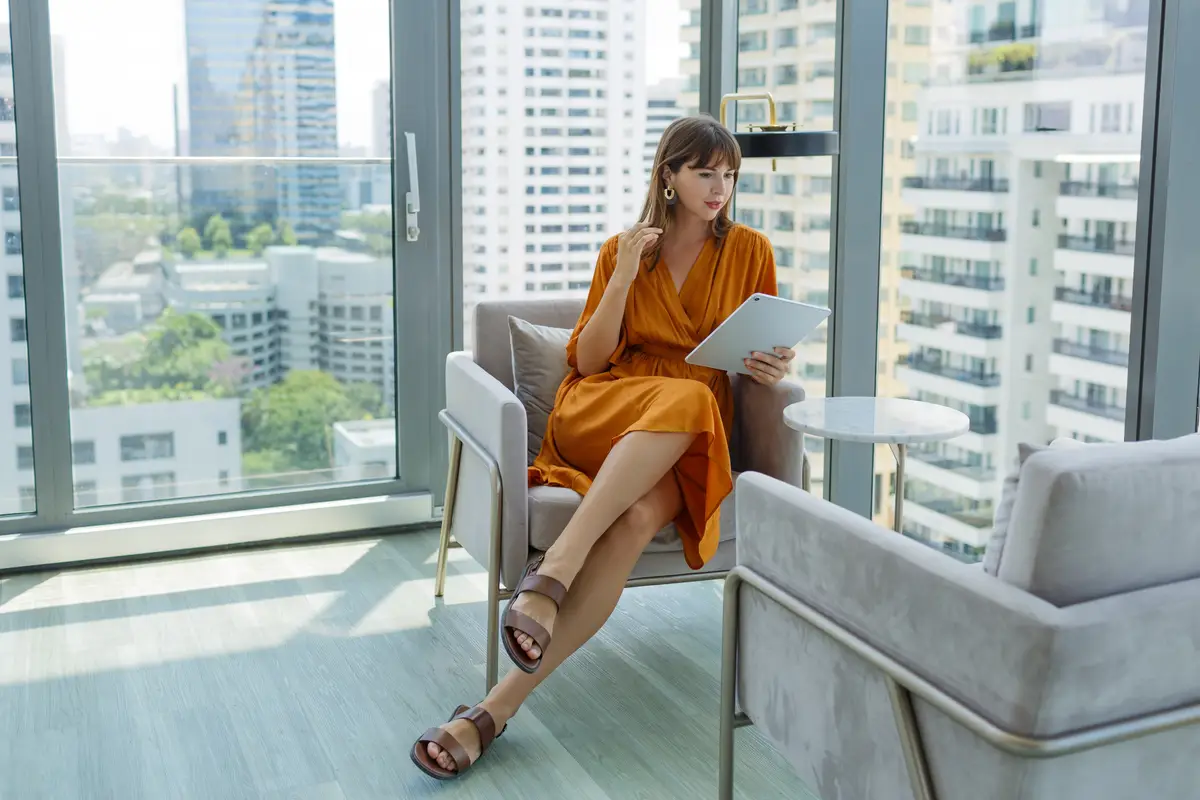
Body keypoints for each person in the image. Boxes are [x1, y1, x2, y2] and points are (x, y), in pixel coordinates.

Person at [411, 115, 796, 780]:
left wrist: (770, 367)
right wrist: (622, 273)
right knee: (689, 398)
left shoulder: (752, 250)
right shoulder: (624, 247)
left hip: (688, 437)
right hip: (602, 411)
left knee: (640, 515)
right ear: (669, 176)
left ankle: (493, 710)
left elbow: (751, 350)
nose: (720, 188)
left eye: (730, 175)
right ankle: (554, 571)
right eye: (706, 172)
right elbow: (587, 358)